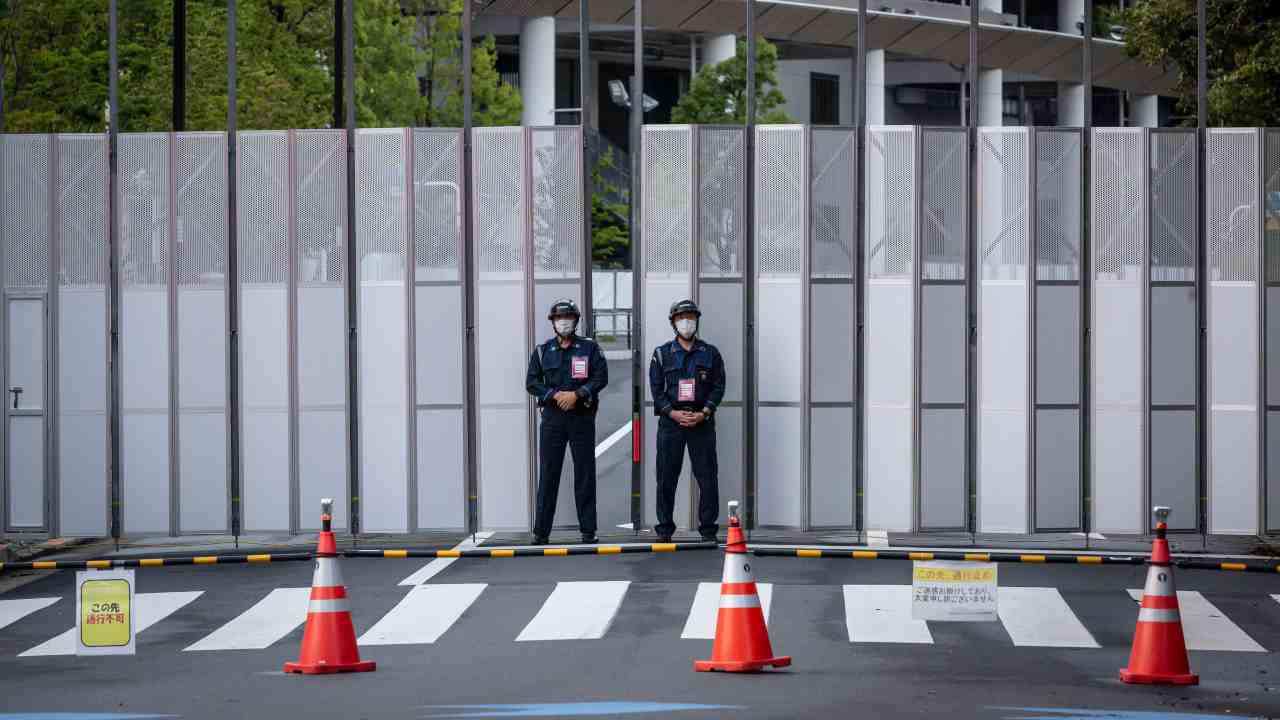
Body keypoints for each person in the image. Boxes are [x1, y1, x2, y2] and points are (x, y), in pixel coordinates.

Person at [526, 298, 608, 545]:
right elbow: (532, 382)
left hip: (581, 416)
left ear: (576, 320)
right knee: (548, 474)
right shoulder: (542, 351)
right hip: (553, 418)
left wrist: (577, 394)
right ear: (553, 322)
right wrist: (554, 395)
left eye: (568, 317)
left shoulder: (589, 348)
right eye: (559, 318)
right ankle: (541, 532)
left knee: (585, 473)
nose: (564, 322)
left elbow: (601, 377)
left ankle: (588, 530)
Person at [648, 299, 725, 543]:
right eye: (681, 318)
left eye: (691, 317)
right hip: (671, 423)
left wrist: (705, 412)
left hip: (701, 422)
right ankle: (664, 529)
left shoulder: (710, 353)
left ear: (697, 321)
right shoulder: (661, 354)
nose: (686, 322)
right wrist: (672, 413)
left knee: (707, 477)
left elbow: (718, 387)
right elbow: (656, 390)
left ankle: (708, 530)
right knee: (666, 477)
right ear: (673, 322)